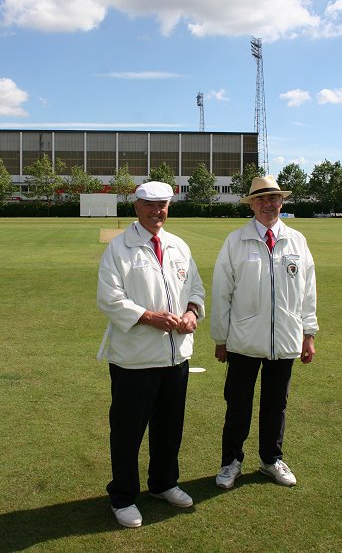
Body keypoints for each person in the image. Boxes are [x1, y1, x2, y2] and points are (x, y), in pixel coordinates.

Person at [97, 181, 205, 528]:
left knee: (169, 428)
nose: (158, 212)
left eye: (164, 206)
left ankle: (163, 484)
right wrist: (150, 317)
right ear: (137, 207)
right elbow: (110, 299)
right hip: (134, 359)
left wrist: (191, 312)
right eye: (151, 205)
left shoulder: (178, 245)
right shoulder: (119, 248)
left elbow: (197, 288)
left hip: (176, 357)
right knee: (128, 432)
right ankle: (123, 496)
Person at [211, 175, 318, 489]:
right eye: (261, 199)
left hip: (285, 339)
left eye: (274, 199)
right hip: (243, 341)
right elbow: (221, 292)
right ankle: (231, 462)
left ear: (281, 202)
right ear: (252, 205)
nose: (268, 205)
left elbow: (308, 291)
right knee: (238, 405)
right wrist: (221, 339)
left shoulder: (297, 240)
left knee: (276, 405)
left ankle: (270, 460)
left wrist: (308, 333)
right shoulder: (235, 241)